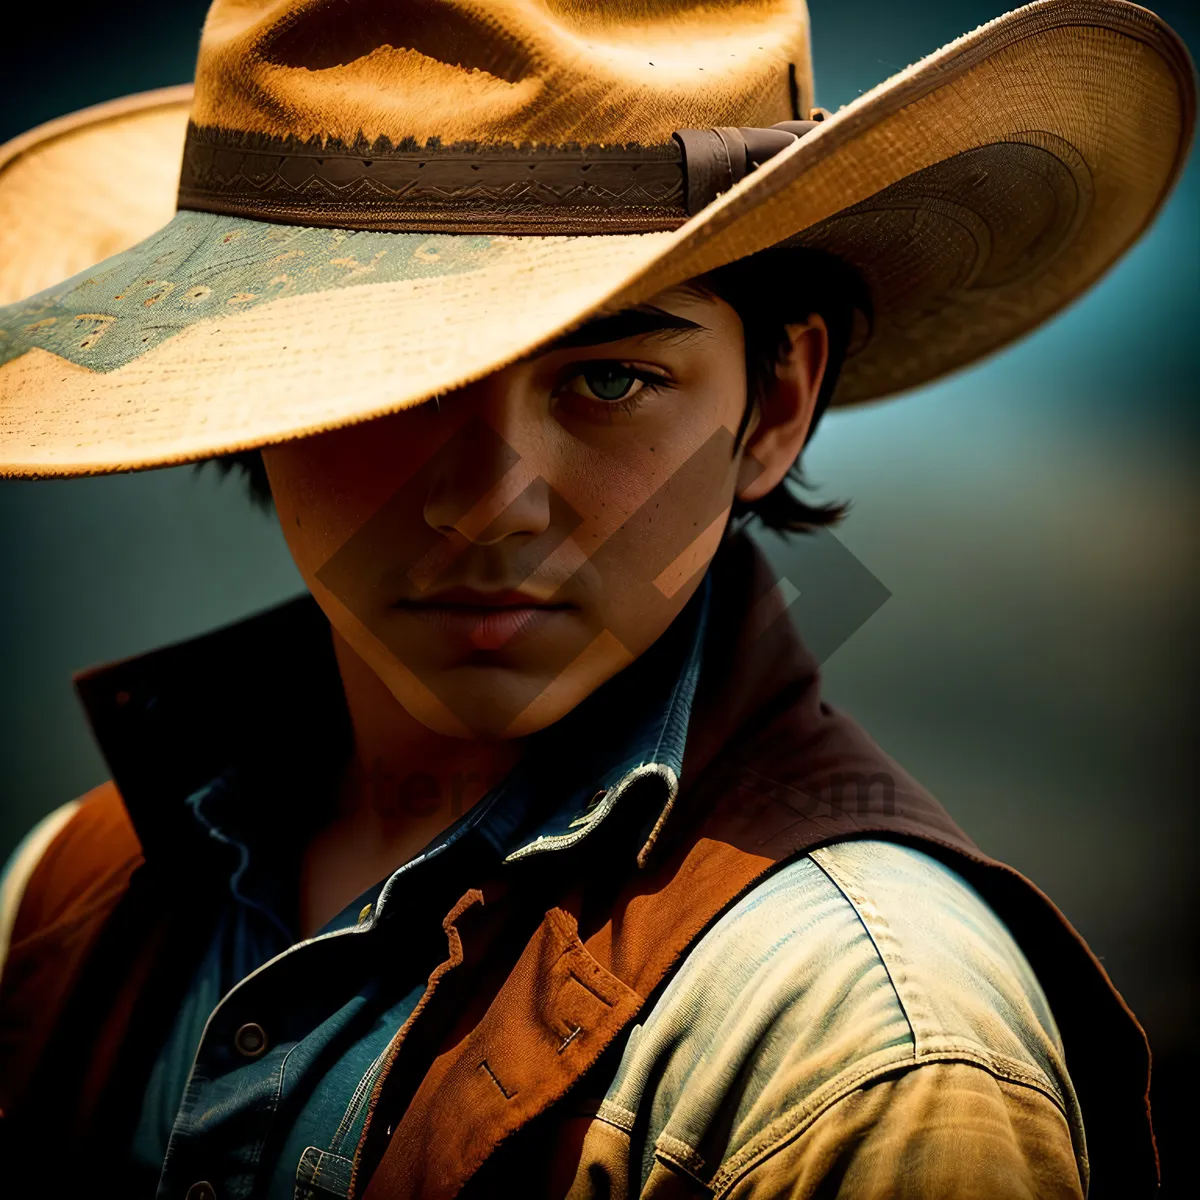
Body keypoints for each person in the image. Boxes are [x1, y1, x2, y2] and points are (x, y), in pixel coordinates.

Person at [0, 1, 1192, 1196]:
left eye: (611, 378)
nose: (490, 504)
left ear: (774, 403)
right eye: (393, 379)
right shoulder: (60, 894)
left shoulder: (860, 1046)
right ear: (248, 394)